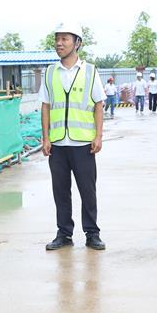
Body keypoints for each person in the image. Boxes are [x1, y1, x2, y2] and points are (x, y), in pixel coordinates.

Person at [40, 22, 106, 251]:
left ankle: (92, 233)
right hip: (58, 144)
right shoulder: (50, 72)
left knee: (88, 191)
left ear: (77, 43)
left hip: (83, 143)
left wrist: (98, 136)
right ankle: (64, 234)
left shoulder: (90, 71)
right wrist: (46, 138)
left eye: (64, 39)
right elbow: (46, 106)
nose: (59, 43)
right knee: (60, 191)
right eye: (57, 39)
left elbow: (99, 104)